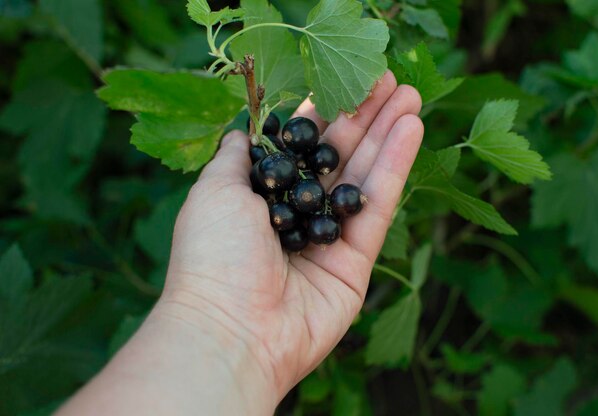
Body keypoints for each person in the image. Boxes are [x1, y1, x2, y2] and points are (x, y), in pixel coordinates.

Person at [57, 71, 423, 415]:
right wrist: (219, 314)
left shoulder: (302, 182)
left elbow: (299, 180)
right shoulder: (288, 187)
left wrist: (218, 321)